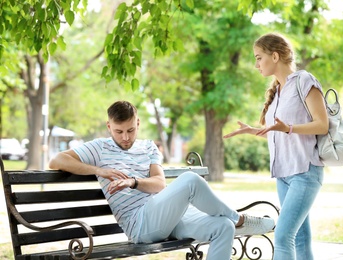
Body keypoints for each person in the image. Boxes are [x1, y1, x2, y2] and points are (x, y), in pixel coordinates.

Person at [49, 100, 275, 260]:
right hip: (141, 224)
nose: (126, 137)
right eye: (119, 132)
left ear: (138, 123)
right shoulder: (100, 147)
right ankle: (239, 219)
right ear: (109, 126)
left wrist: (133, 182)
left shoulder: (148, 147)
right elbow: (57, 160)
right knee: (190, 179)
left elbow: (159, 184)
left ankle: (232, 221)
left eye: (130, 130)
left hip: (169, 216)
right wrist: (100, 170)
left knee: (222, 227)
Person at [223, 33, 329, 260]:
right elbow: (281, 133)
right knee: (299, 237)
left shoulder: (304, 81)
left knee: (282, 236)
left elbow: (322, 125)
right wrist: (254, 131)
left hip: (305, 172)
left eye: (259, 58)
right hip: (283, 175)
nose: (256, 64)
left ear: (274, 55)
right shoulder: (278, 90)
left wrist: (288, 128)